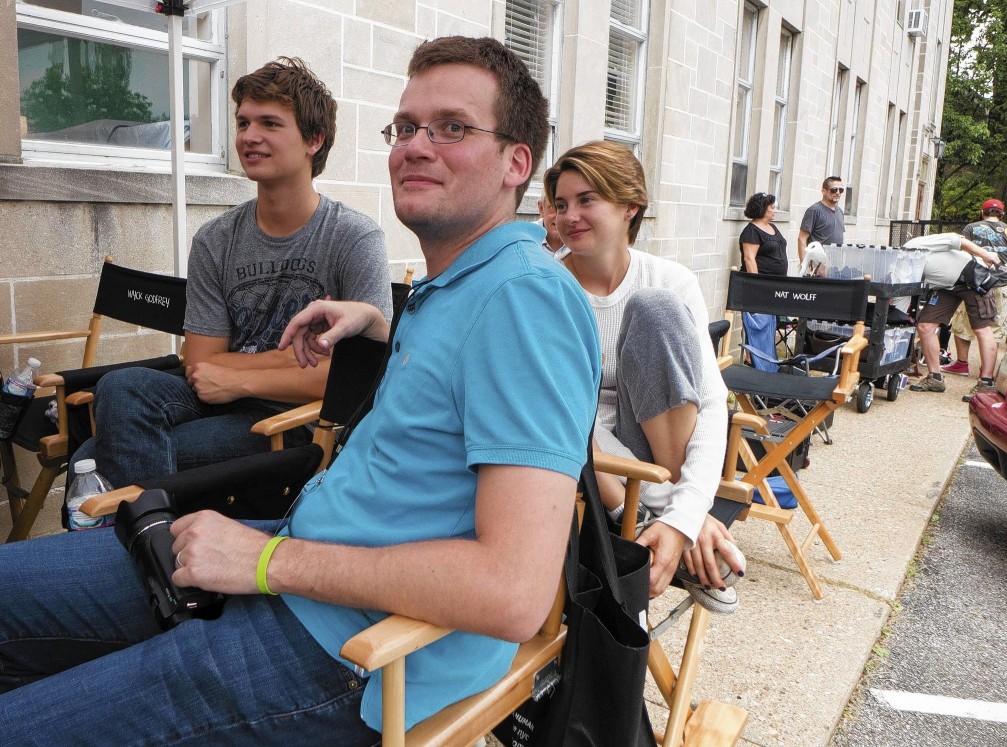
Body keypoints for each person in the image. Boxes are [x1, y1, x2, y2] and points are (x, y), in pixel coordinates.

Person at [0, 36, 601, 744]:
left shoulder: (525, 299)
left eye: (452, 127)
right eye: (405, 127)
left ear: (516, 163)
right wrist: (378, 324)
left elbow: (514, 592)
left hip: (350, 653)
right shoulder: (459, 284)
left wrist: (263, 562)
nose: (416, 145)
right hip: (303, 568)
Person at [69, 58, 392, 489]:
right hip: (217, 395)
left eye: (269, 124)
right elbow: (202, 363)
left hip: (292, 420)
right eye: (242, 123)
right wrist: (277, 364)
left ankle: (143, 540)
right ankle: (155, 540)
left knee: (91, 457)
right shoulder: (215, 239)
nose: (248, 137)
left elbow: (355, 378)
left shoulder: (353, 237)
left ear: (314, 139)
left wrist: (238, 378)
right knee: (120, 384)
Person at [544, 140, 741, 606]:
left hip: (657, 447)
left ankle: (668, 531)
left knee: (654, 309)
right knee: (562, 413)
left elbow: (713, 403)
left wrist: (683, 515)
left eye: (586, 199)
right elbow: (572, 419)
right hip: (588, 467)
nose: (568, 216)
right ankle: (667, 533)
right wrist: (676, 512)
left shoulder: (670, 281)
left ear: (630, 205)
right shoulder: (545, 286)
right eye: (561, 204)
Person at [903, 233, 1002, 397]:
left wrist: (985, 255)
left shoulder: (914, 244)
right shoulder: (902, 272)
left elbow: (956, 240)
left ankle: (986, 383)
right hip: (946, 286)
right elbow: (900, 303)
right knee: (925, 326)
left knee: (982, 329)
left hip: (972, 277)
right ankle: (935, 378)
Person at [941, 199, 1007, 378]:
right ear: (1002, 213)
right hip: (1001, 284)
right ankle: (986, 373)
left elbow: (962, 254)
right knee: (994, 327)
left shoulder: (971, 228)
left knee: (963, 323)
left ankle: (962, 364)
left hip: (975, 283)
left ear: (982, 212)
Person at [740, 191, 788, 372]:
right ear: (762, 209)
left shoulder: (773, 227)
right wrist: (757, 287)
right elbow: (749, 259)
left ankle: (769, 365)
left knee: (770, 327)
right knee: (757, 326)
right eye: (772, 208)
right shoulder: (751, 231)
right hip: (760, 289)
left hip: (775, 288)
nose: (775, 211)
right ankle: (752, 363)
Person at [797, 176, 846, 263]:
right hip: (817, 266)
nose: (838, 193)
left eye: (841, 190)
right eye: (834, 190)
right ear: (824, 191)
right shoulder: (814, 210)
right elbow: (802, 239)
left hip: (835, 265)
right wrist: (803, 267)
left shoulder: (840, 211)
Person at [536, 194, 569, 259]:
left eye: (563, 207)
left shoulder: (583, 242)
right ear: (541, 209)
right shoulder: (525, 240)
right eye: (553, 208)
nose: (558, 218)